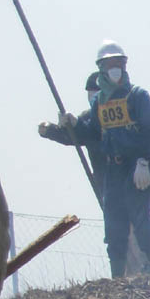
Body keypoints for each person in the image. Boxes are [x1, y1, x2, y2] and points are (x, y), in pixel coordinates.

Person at [40, 41, 150, 278]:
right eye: (109, 65)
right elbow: (93, 134)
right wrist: (74, 125)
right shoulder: (99, 103)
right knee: (114, 227)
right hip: (112, 170)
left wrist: (144, 161)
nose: (115, 69)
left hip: (136, 166)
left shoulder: (137, 96)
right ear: (101, 69)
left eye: (119, 64)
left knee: (141, 223)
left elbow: (149, 132)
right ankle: (118, 278)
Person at [39, 72, 106, 203]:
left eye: (97, 92)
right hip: (102, 178)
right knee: (113, 219)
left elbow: (93, 136)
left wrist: (77, 124)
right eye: (90, 92)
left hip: (124, 175)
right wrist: (52, 130)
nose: (93, 96)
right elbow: (74, 138)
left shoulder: (119, 113)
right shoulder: (88, 116)